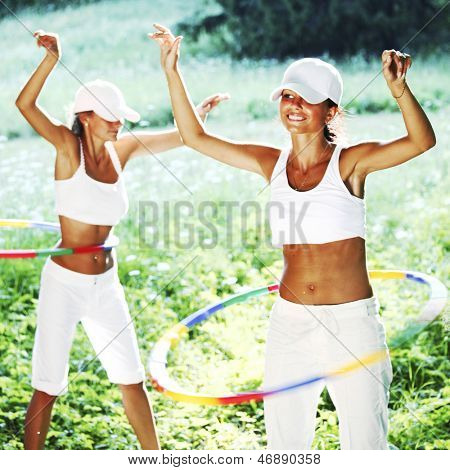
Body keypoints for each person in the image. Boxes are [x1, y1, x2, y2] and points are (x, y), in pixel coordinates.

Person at [149, 24, 436, 450]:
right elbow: (195, 137)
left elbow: (421, 141)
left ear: (331, 111)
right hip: (289, 325)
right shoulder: (271, 163)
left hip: (351, 325)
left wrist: (398, 89)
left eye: (306, 98)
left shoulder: (351, 163)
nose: (294, 105)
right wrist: (172, 70)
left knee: (365, 448)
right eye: (287, 95)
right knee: (285, 447)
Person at [15, 29, 227, 450]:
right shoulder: (65, 146)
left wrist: (198, 111)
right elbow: (24, 105)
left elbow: (185, 135)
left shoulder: (122, 149)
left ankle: (156, 458)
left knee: (132, 379)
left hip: (106, 286)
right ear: (86, 116)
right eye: (111, 116)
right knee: (48, 385)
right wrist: (52, 59)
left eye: (121, 117)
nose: (120, 123)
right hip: (65, 284)